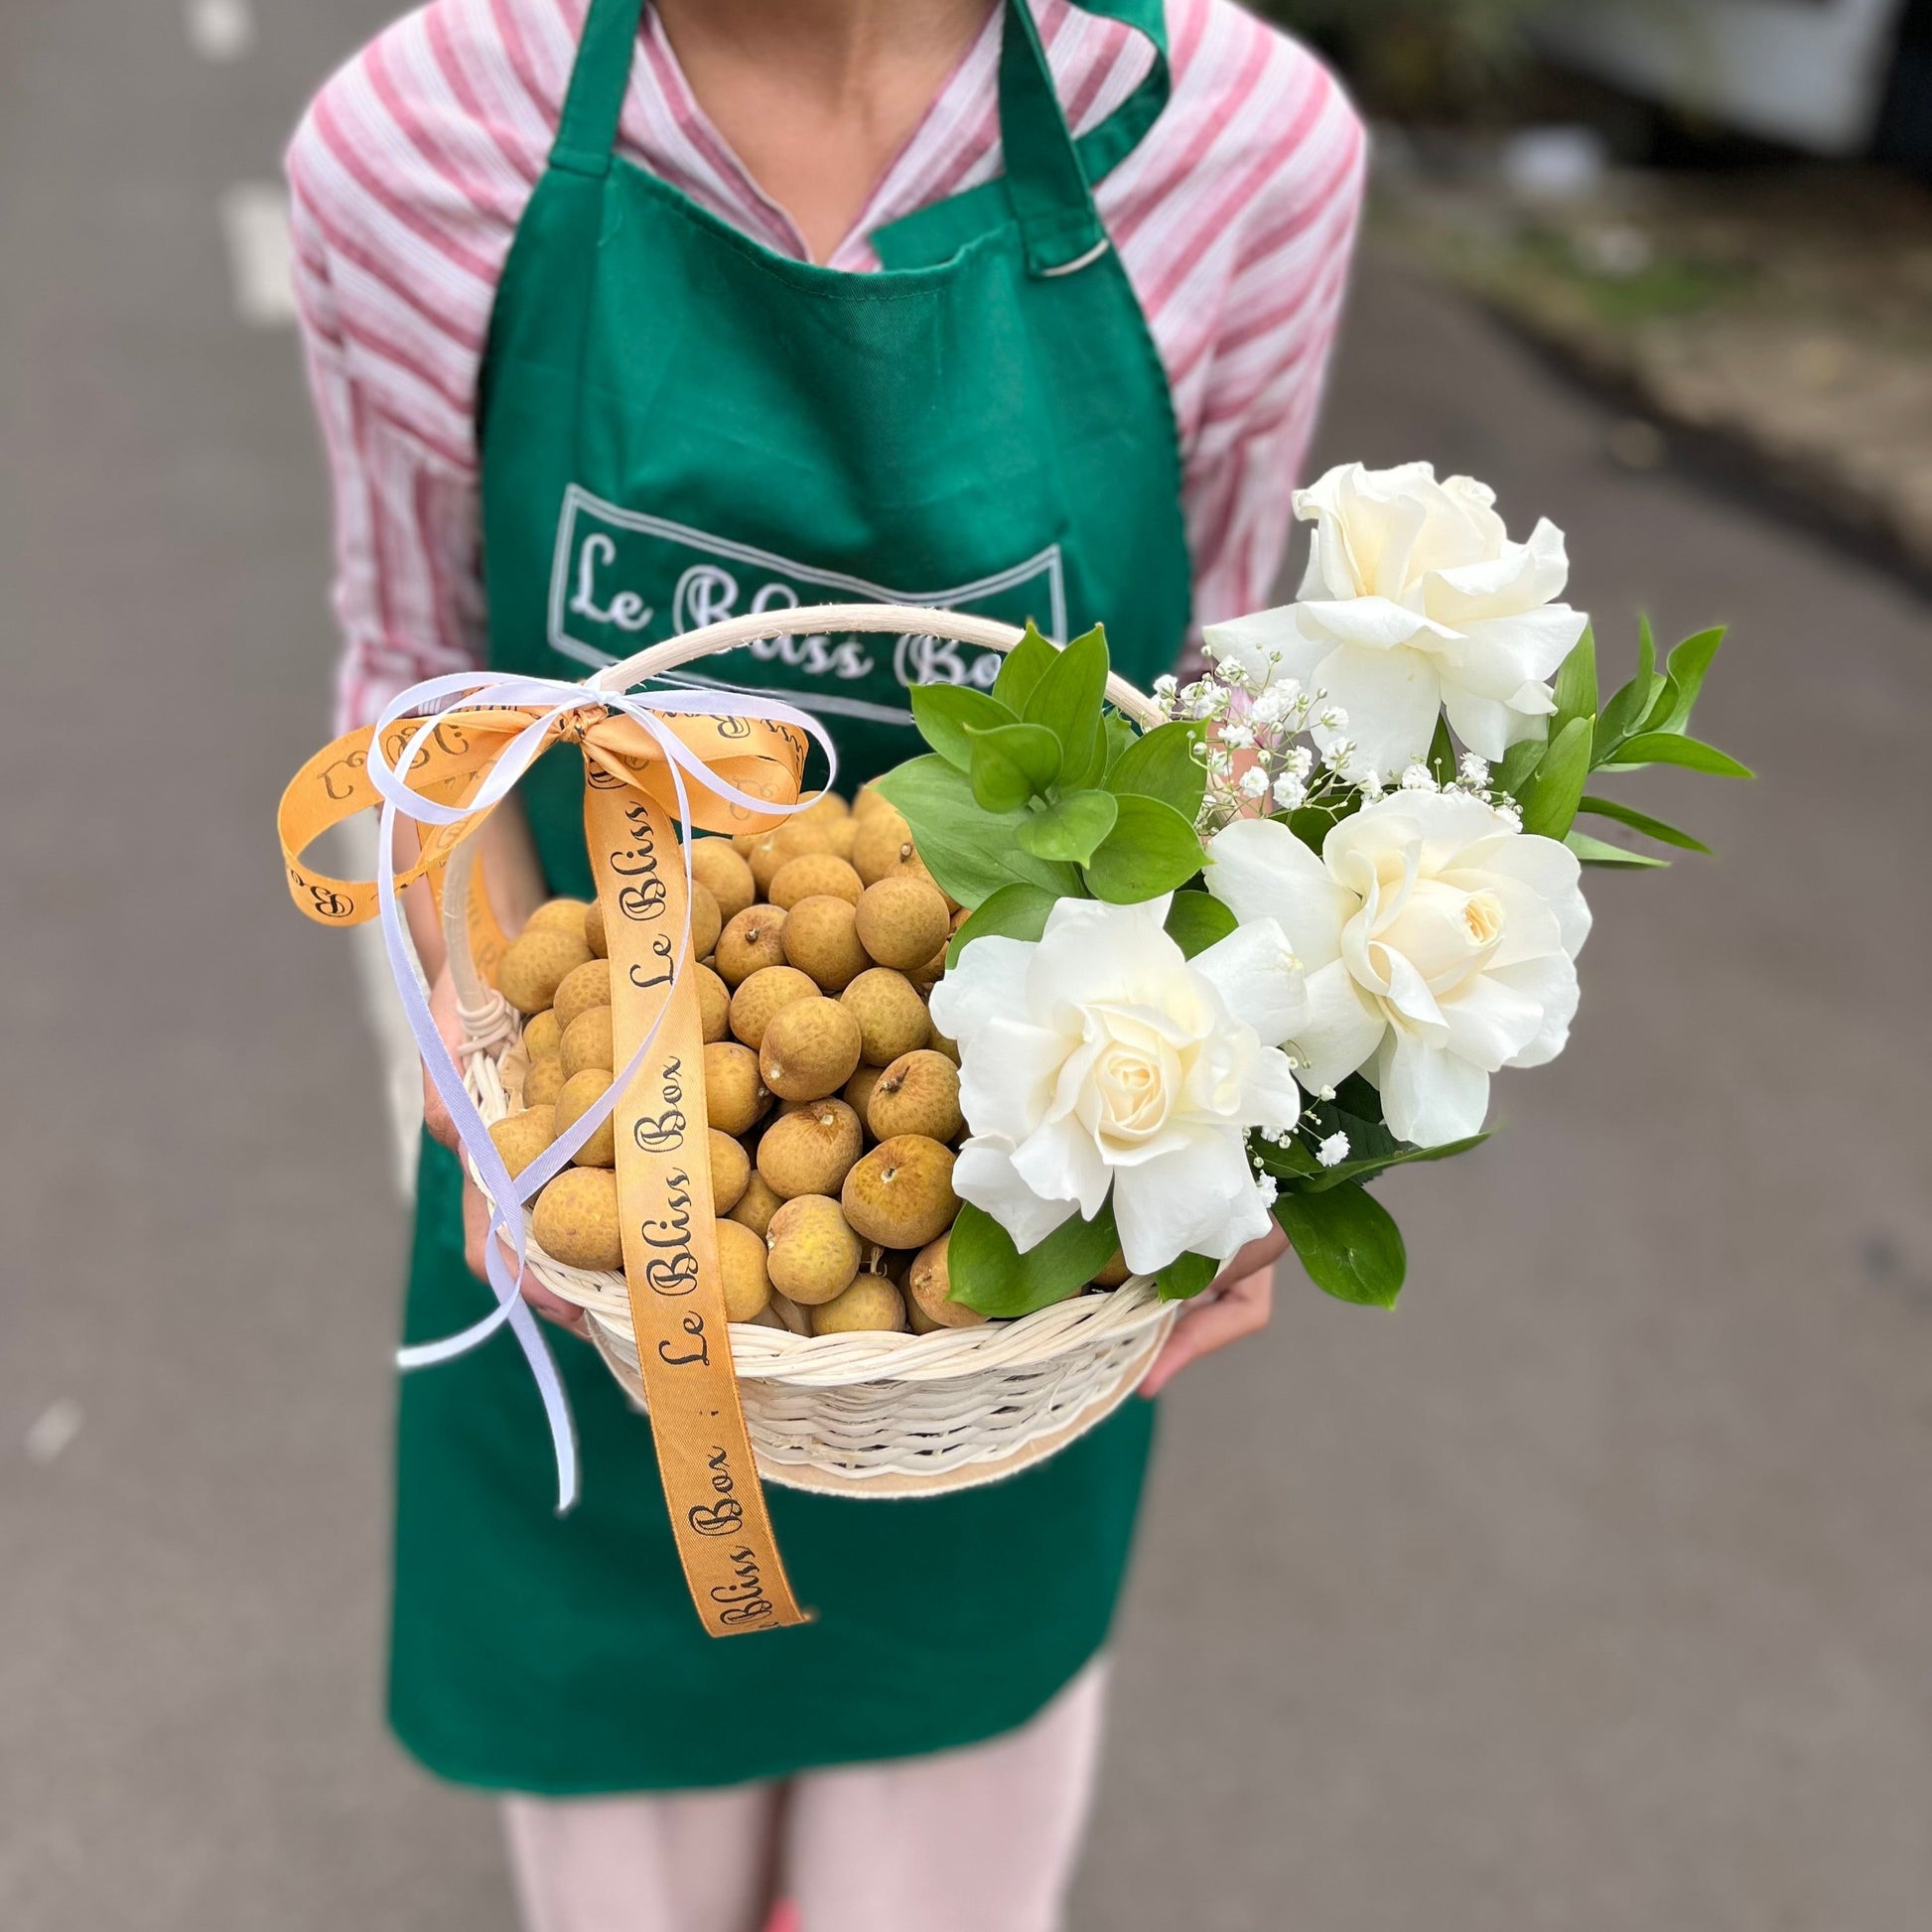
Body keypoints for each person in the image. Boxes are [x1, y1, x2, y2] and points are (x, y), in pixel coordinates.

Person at [287, 1, 1363, 1925]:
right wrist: (497, 1087)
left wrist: (1258, 1132)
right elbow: (415, 696)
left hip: (1004, 1289)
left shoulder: (1239, 146)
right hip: (601, 1247)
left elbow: (1220, 730)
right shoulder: (418, 141)